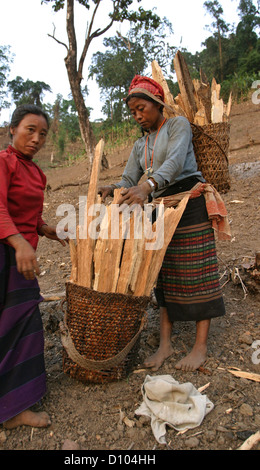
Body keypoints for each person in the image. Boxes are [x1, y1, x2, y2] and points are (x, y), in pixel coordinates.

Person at [99, 75, 230, 373]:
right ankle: (165, 344)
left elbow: (172, 164)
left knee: (198, 271)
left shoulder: (177, 125)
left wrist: (148, 186)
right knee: (164, 274)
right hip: (159, 208)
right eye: (133, 112)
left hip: (189, 200)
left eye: (141, 108)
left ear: (157, 104)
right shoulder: (139, 145)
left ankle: (200, 348)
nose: (137, 116)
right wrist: (113, 187)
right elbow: (130, 179)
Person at [0, 104, 68, 441]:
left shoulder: (36, 173)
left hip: (17, 255)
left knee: (22, 328)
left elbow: (30, 216)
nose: (36, 139)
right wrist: (21, 244)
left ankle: (9, 404)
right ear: (12, 129)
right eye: (30, 130)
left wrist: (48, 230)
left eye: (43, 134)